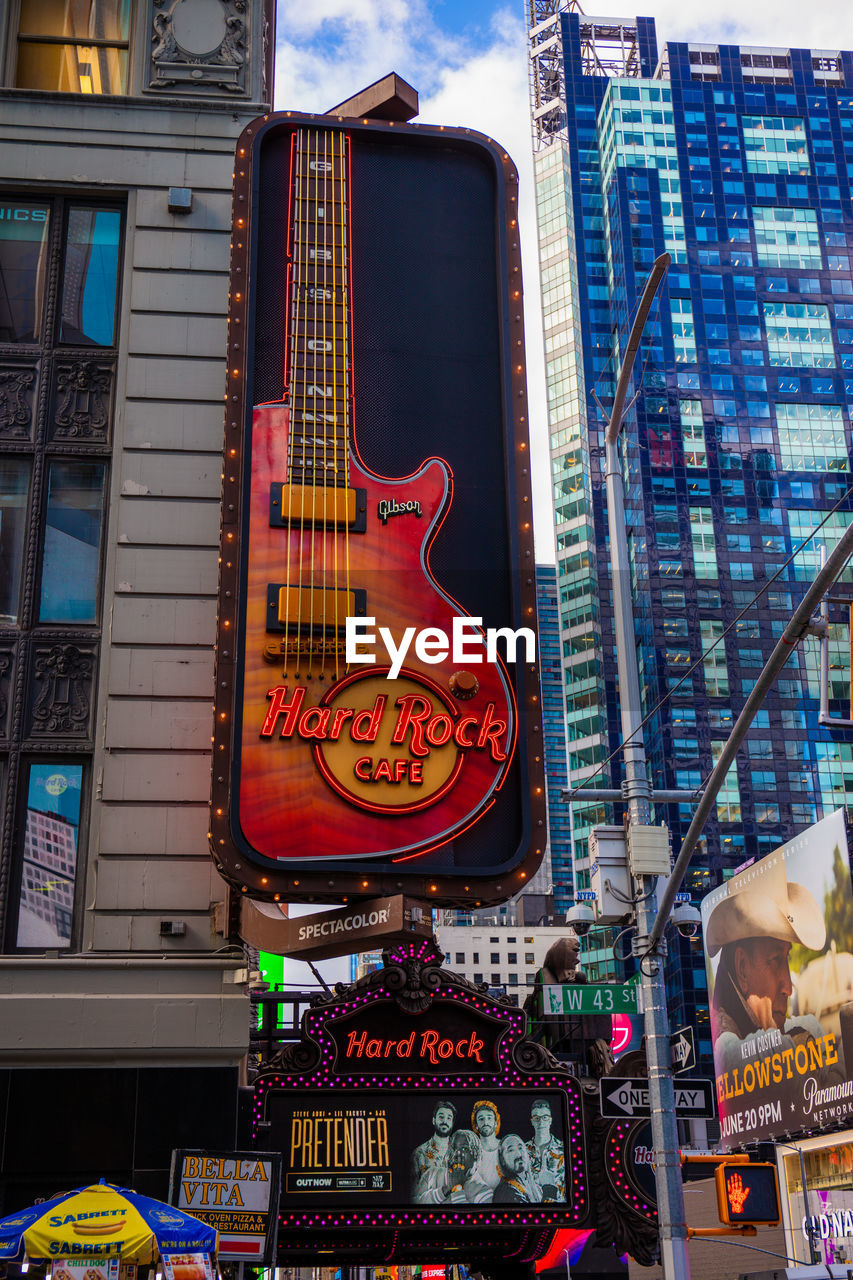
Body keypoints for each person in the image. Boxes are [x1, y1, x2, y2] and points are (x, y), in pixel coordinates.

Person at [707, 857, 841, 1077]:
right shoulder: (728, 1051)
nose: (788, 987)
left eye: (786, 959)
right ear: (742, 969)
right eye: (775, 960)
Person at [523, 934, 614, 1075]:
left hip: (580, 1034)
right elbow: (549, 997)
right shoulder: (545, 974)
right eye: (572, 956)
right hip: (556, 1038)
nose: (575, 962)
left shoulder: (575, 979)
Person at [411, 1100, 456, 1203]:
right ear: (433, 1120)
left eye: (449, 1118)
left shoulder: (459, 1152)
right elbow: (412, 1198)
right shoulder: (419, 1153)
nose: (445, 1121)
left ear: (452, 1123)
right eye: (441, 1117)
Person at [525, 1098, 565, 1202]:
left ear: (550, 1120)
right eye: (537, 1118)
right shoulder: (523, 1150)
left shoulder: (563, 1149)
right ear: (532, 1121)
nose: (541, 1122)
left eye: (545, 1117)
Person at [464, 1101, 502, 1201]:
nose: (485, 1122)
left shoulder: (506, 1146)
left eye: (489, 1118)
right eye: (481, 1119)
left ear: (495, 1123)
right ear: (476, 1125)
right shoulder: (470, 1151)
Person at [492, 1134, 542, 1204]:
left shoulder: (536, 1186)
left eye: (520, 1148)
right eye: (511, 1150)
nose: (518, 1154)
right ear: (502, 1160)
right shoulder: (505, 1192)